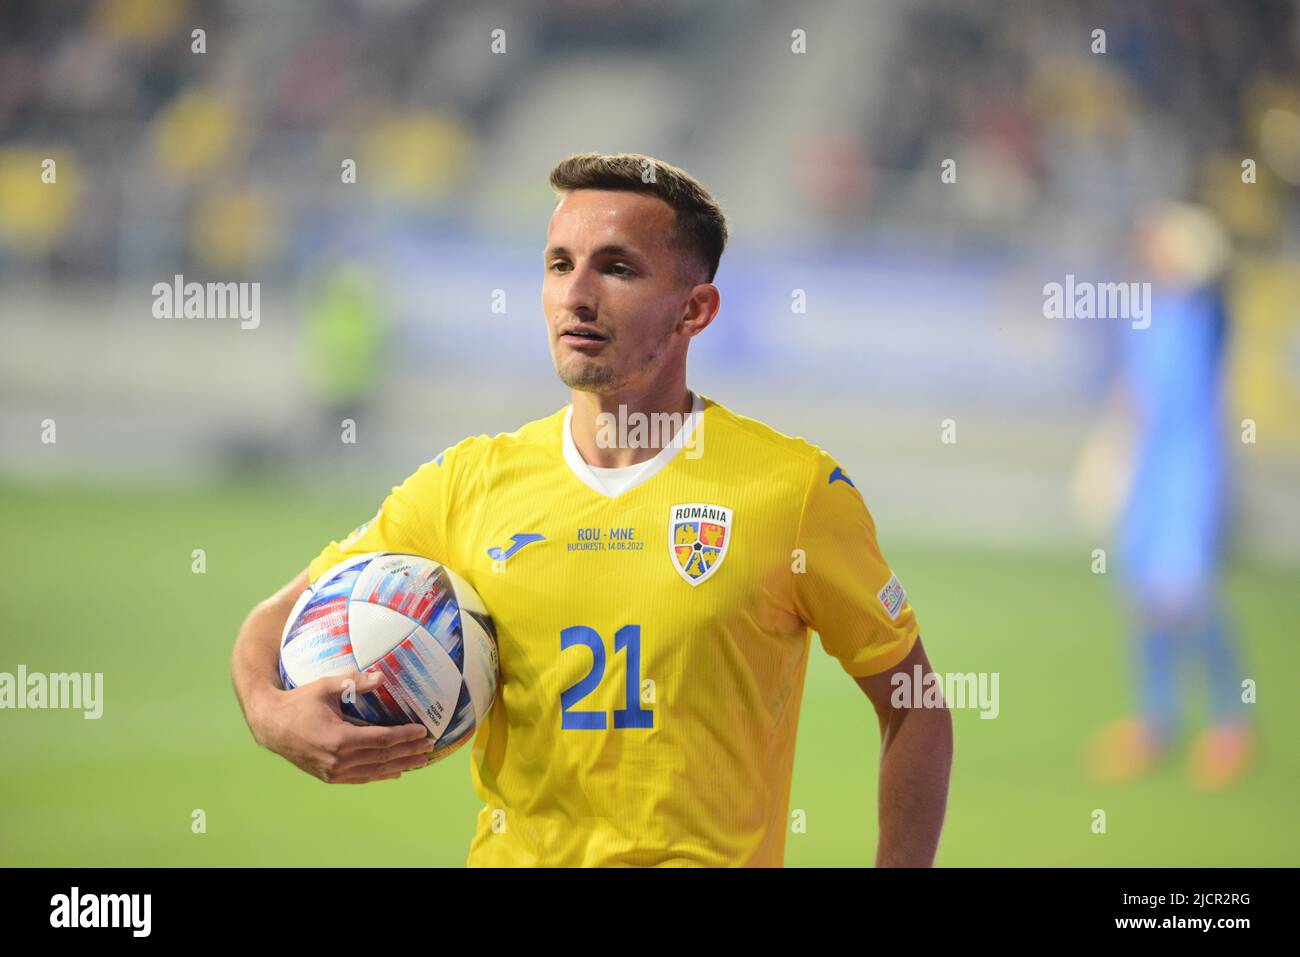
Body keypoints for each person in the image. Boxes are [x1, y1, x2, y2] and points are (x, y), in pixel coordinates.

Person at [232, 152, 953, 866]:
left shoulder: (792, 493)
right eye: (557, 264)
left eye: (616, 267)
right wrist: (272, 716)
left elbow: (915, 702)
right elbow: (272, 621)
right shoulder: (468, 482)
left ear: (694, 310)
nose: (577, 293)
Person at [1086, 202, 1254, 790]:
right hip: (1148, 470)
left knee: (1185, 596)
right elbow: (1132, 393)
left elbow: (1220, 290)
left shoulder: (1204, 314)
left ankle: (1233, 722)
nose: (1149, 249)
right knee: (1142, 597)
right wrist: (1107, 460)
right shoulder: (1143, 316)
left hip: (1190, 469)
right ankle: (1155, 722)